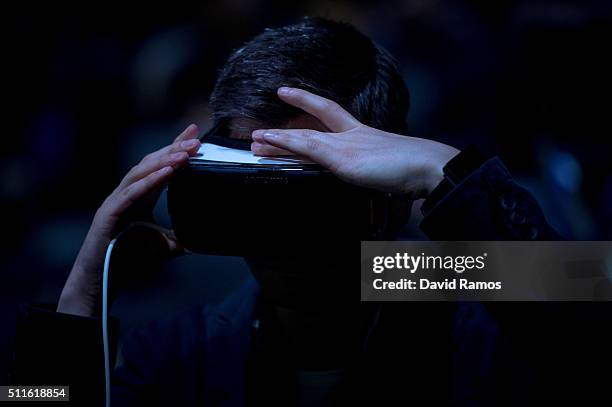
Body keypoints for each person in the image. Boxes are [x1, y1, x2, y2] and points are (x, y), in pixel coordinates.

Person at [11, 17, 609, 407]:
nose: (284, 235)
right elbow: (29, 400)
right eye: (257, 189)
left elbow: (589, 299)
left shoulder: (422, 282)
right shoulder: (182, 348)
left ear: (386, 195)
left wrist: (445, 173)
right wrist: (83, 289)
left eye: (314, 186)